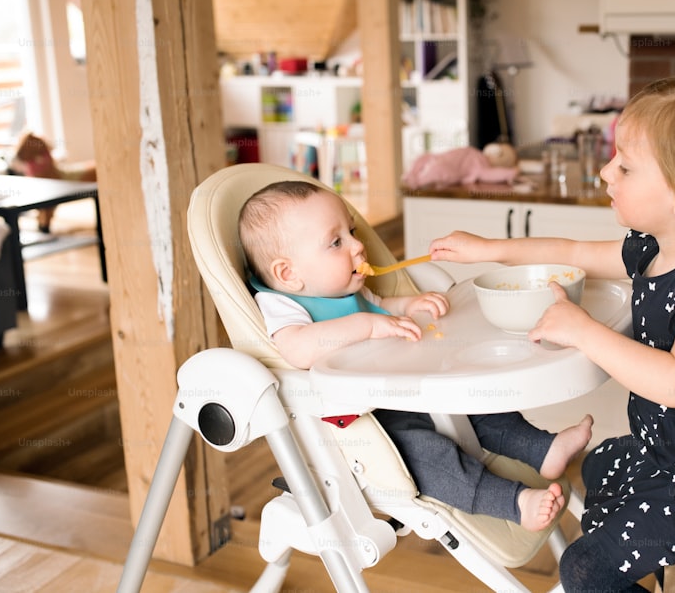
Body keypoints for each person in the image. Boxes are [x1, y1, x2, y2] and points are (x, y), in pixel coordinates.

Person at [429, 73, 675, 591]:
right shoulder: (656, 246)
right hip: (673, 451)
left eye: (625, 165)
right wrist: (489, 248)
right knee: (598, 465)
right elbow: (572, 254)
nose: (604, 172)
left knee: (581, 568)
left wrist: (583, 329)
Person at [237, 180, 593, 531]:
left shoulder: (349, 292)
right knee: (428, 456)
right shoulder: (283, 304)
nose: (358, 246)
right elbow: (297, 348)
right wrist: (366, 326)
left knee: (479, 407)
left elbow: (382, 310)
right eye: (336, 242)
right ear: (288, 273)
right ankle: (514, 502)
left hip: (410, 392)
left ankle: (543, 448)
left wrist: (410, 305)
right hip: (368, 423)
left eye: (352, 231)